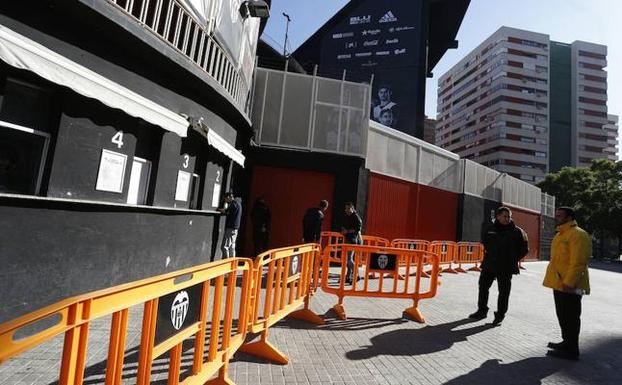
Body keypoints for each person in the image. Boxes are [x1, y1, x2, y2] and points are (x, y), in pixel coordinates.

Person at [543, 207, 591, 360]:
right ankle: (566, 342)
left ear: (569, 217)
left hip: (570, 285)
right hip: (559, 283)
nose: (556, 217)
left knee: (571, 316)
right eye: (556, 215)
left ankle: (572, 349)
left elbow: (578, 262)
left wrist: (569, 283)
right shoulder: (560, 234)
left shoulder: (578, 234)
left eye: (559, 215)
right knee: (562, 315)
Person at [469, 206, 528, 325]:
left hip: (506, 267)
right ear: (498, 216)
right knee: (483, 287)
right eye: (505, 216)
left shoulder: (518, 232)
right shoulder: (489, 229)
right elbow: (485, 242)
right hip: (490, 264)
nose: (508, 219)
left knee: (504, 292)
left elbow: (524, 249)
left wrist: (511, 259)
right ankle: (482, 311)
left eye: (509, 217)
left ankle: (500, 315)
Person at [342, 202, 363, 284]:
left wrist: (347, 231)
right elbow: (344, 225)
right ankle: (348, 276)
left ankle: (357, 275)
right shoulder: (347, 216)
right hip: (348, 239)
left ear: (352, 208)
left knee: (349, 260)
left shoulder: (356, 218)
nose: (346, 210)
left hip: (353, 240)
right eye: (345, 208)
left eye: (348, 208)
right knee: (349, 260)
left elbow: (357, 229)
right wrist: (343, 230)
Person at [218, 191, 242, 258]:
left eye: (225, 199)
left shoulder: (233, 204)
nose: (226, 201)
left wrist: (219, 209)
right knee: (232, 247)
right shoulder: (239, 204)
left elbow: (226, 211)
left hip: (230, 228)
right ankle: (232, 264)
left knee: (224, 247)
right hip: (235, 228)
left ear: (228, 197)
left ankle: (226, 263)